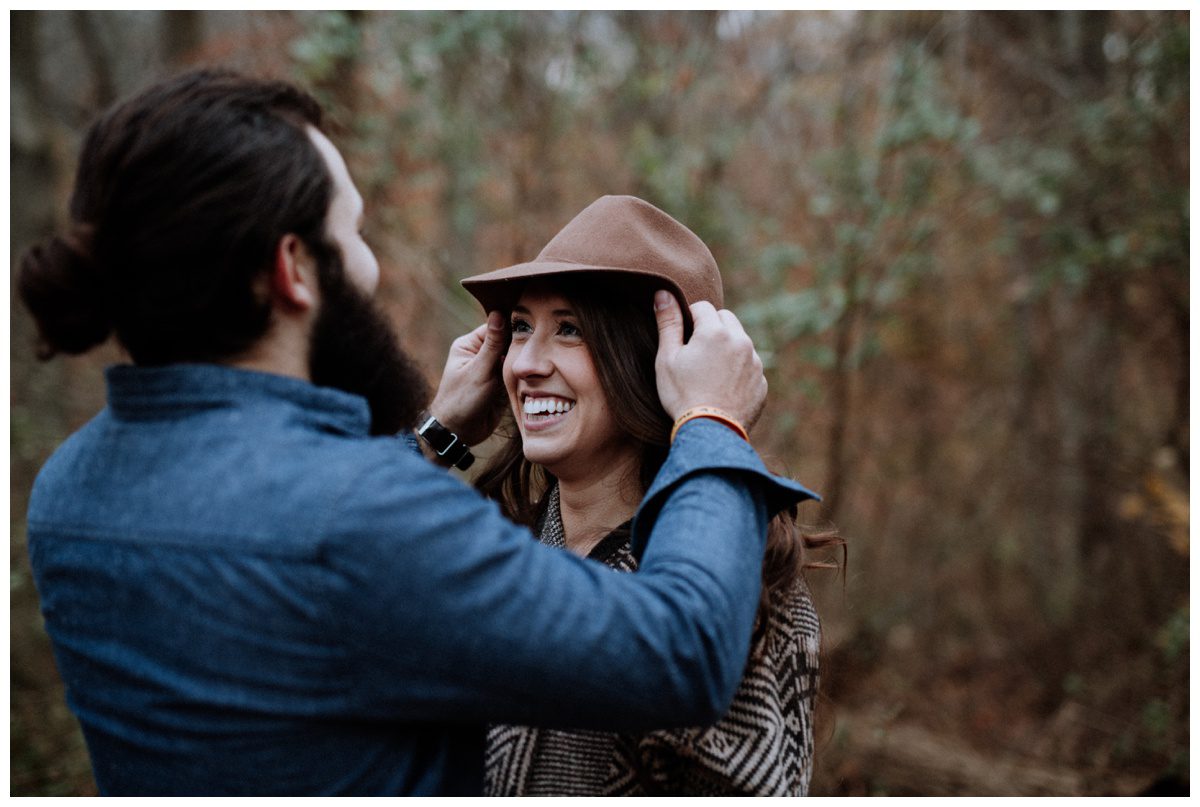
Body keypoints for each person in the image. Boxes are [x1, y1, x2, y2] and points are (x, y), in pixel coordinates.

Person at [17, 69, 814, 796]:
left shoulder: (70, 487)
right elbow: (678, 655)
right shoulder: (364, 515)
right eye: (354, 233)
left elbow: (305, 545)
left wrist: (434, 437)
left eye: (569, 329)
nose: (368, 267)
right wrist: (711, 423)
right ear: (294, 268)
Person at [460, 195, 831, 796]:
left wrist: (707, 418)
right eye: (522, 326)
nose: (525, 362)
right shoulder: (489, 549)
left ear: (653, 362)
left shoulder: (745, 584)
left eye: (570, 329)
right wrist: (437, 431)